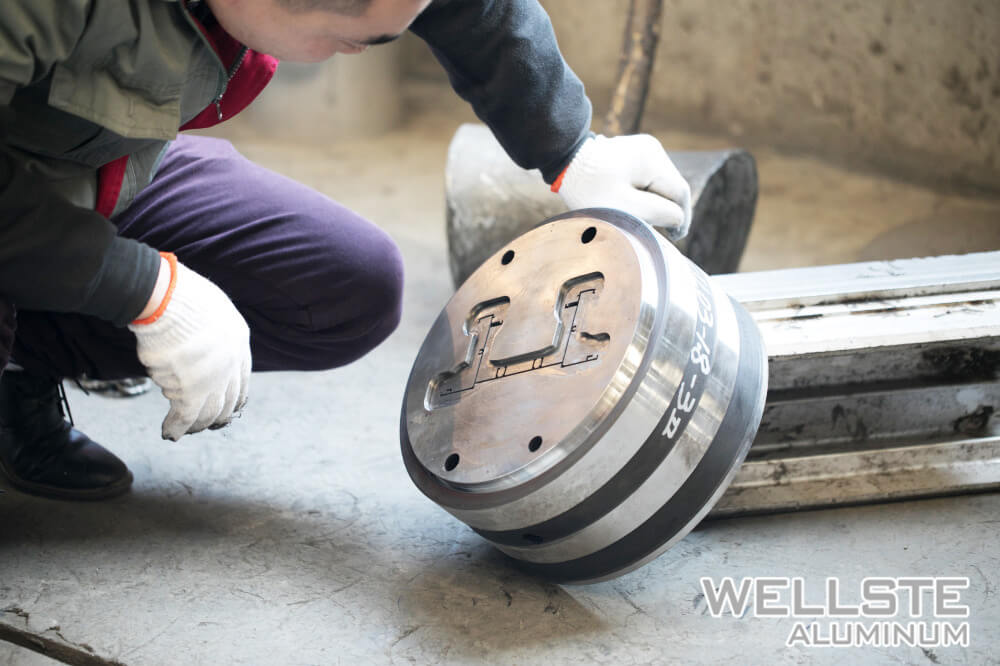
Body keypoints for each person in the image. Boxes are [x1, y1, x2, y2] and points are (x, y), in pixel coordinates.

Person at [0, 0, 691, 500]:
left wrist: (568, 147)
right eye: (358, 35)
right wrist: (143, 288)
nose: (364, 49)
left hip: (104, 166)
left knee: (347, 286)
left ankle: (27, 349)